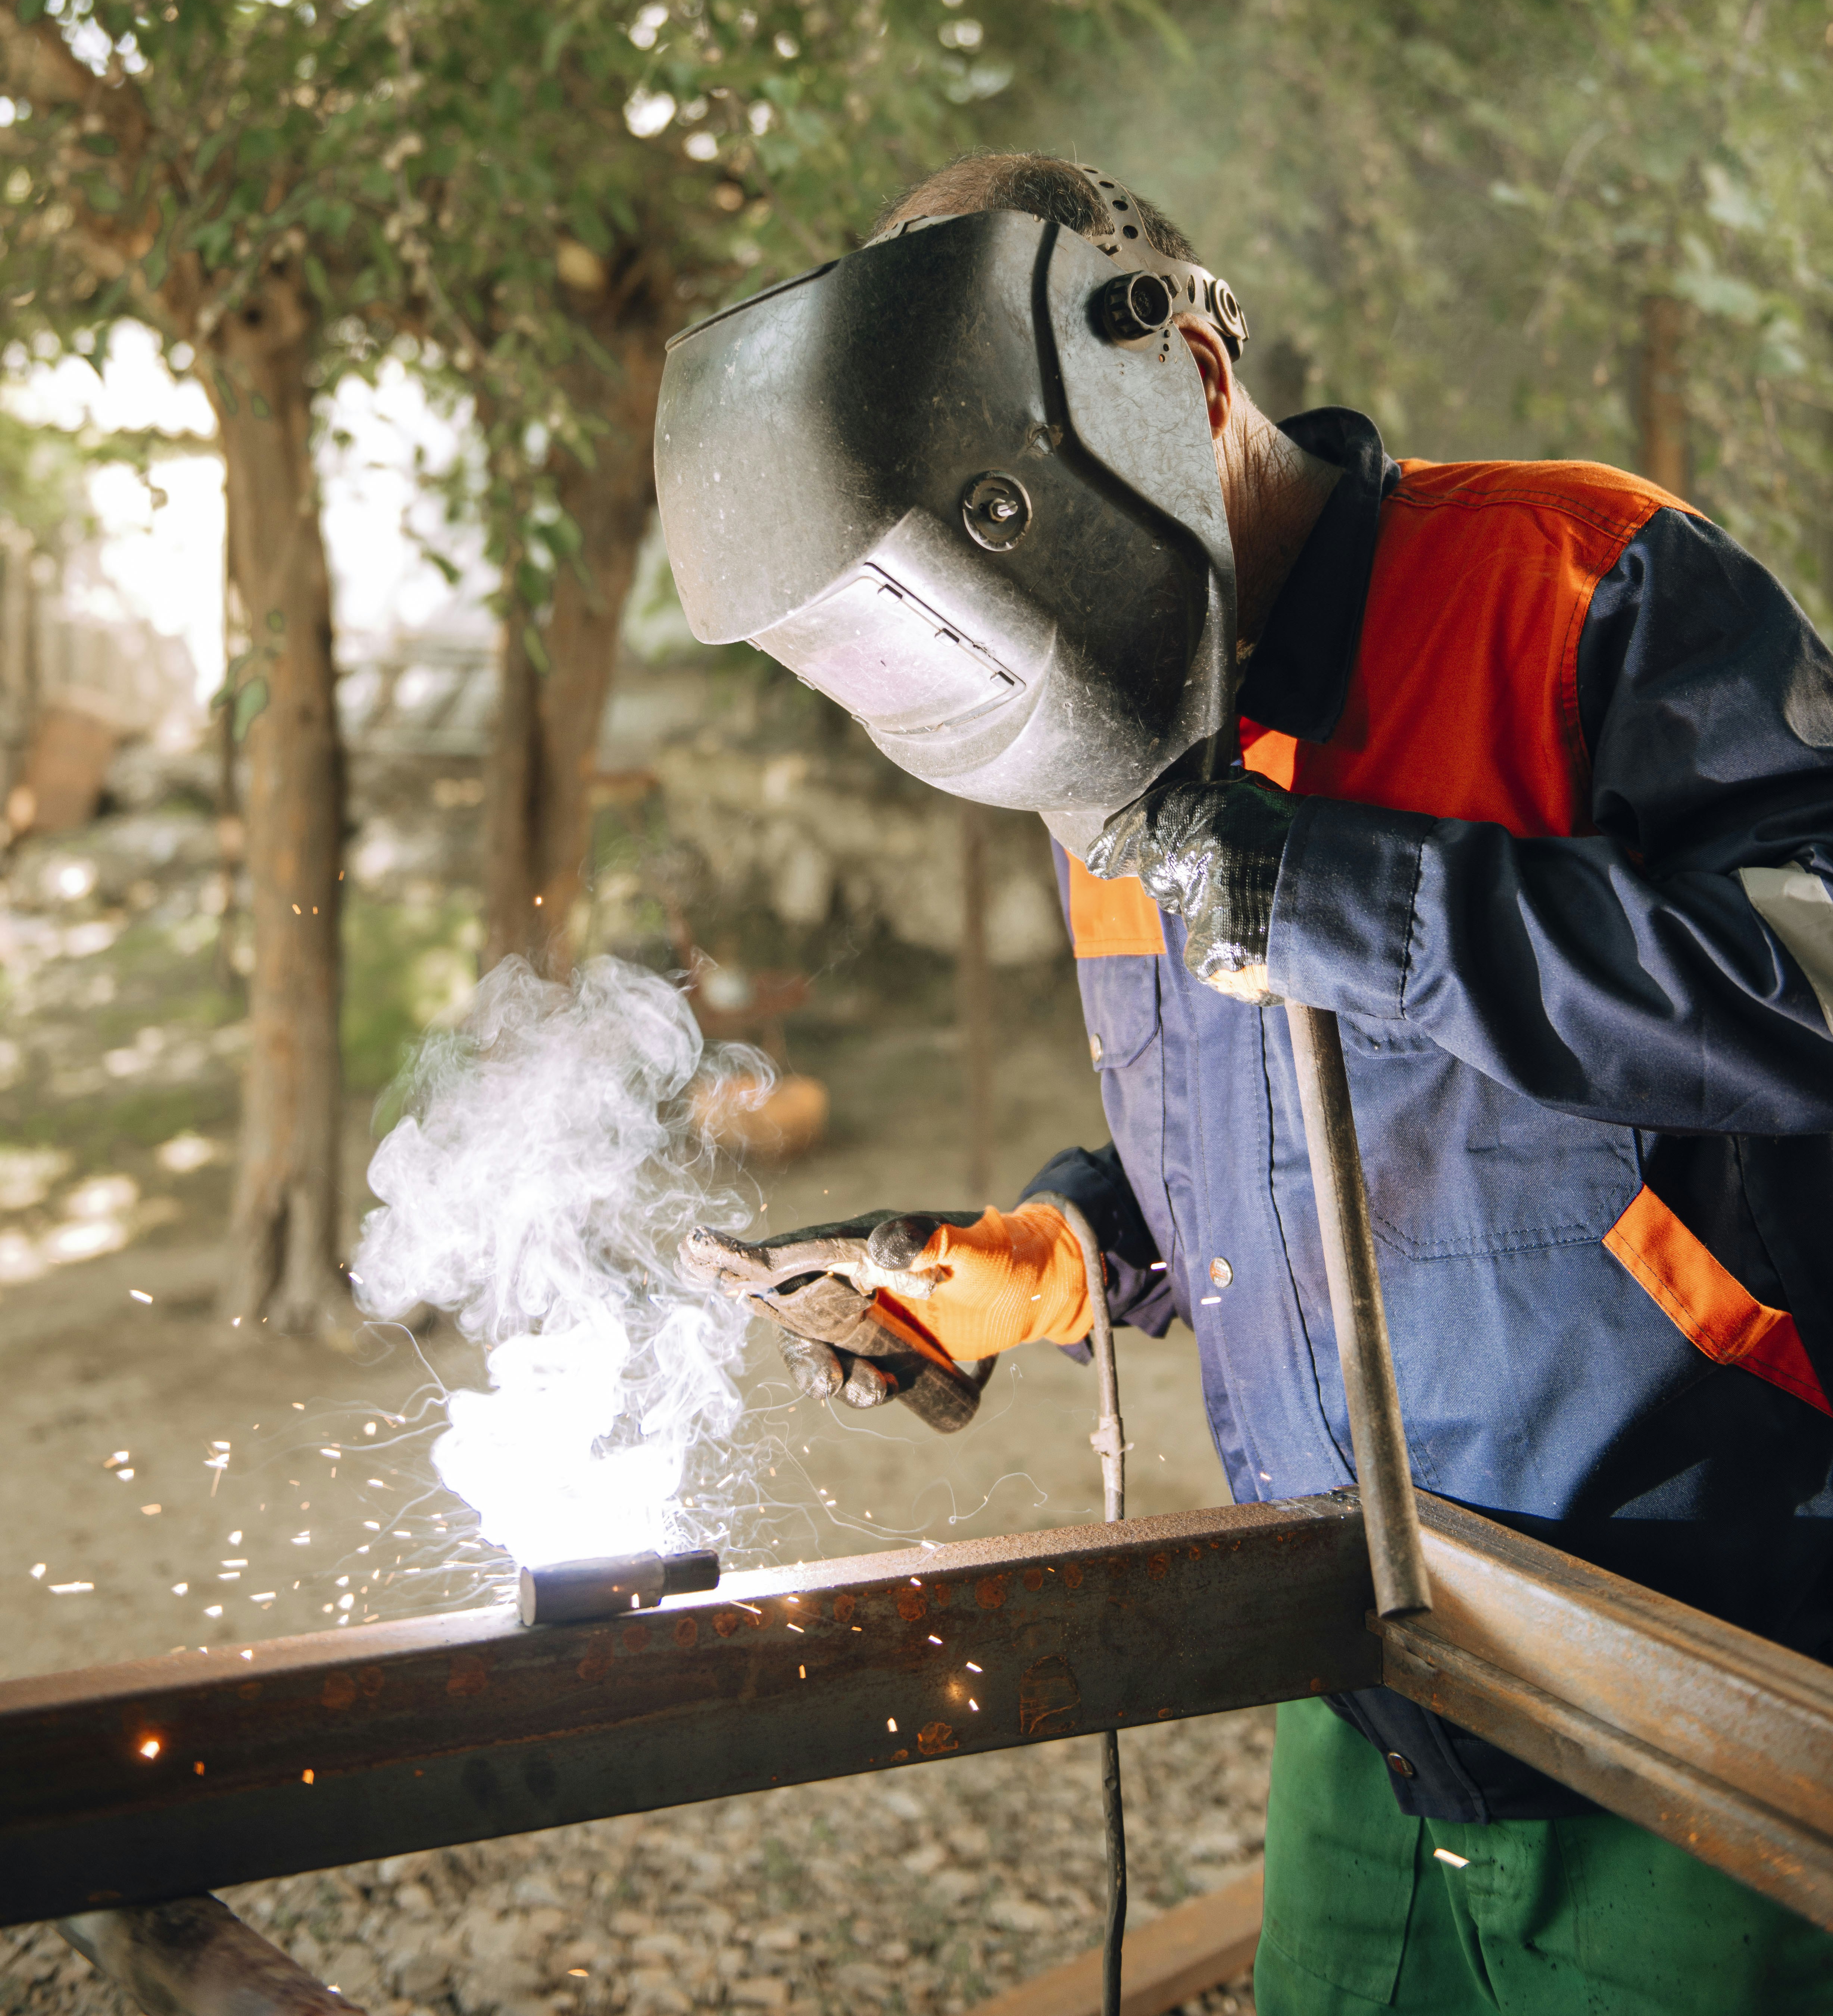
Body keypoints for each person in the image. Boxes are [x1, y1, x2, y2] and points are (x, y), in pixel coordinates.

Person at [687, 152, 1833, 2012]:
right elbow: (1251, 1146)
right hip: (1369, 1690)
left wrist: (1339, 889)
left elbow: (1808, 970)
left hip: (1701, 1687)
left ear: (1188, 386)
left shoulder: (1577, 576)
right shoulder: (1112, 727)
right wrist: (1042, 1262)